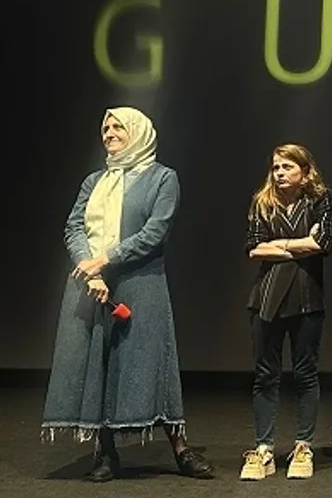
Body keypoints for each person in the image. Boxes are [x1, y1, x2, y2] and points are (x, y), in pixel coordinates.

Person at [42, 107, 214, 482]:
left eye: (118, 126)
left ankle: (181, 449)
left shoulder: (162, 178)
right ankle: (105, 452)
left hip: (140, 282)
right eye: (105, 127)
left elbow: (155, 231)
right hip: (91, 284)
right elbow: (74, 227)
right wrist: (91, 268)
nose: (109, 133)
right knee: (99, 362)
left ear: (138, 131)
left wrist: (105, 259)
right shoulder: (94, 181)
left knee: (152, 360)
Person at [239, 144, 332, 481]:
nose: (279, 173)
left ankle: (303, 446)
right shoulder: (262, 203)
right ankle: (263, 449)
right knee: (266, 374)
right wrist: (299, 244)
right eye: (276, 167)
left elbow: (323, 243)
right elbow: (254, 248)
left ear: (304, 172)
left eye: (287, 167)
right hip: (266, 299)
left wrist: (279, 244)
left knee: (305, 373)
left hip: (307, 298)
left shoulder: (319, 200)